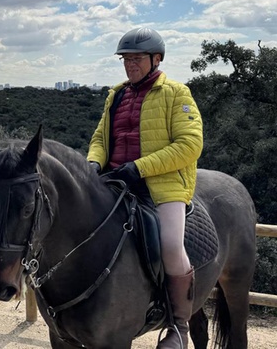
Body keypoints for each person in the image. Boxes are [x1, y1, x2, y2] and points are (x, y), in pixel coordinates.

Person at [86, 28, 202, 349]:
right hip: (115, 181)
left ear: (156, 59)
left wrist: (140, 167)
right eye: (126, 59)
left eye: (136, 59)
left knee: (168, 244)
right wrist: (94, 163)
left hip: (161, 187)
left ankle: (179, 327)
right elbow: (100, 138)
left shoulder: (177, 94)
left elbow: (190, 145)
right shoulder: (116, 95)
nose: (130, 65)